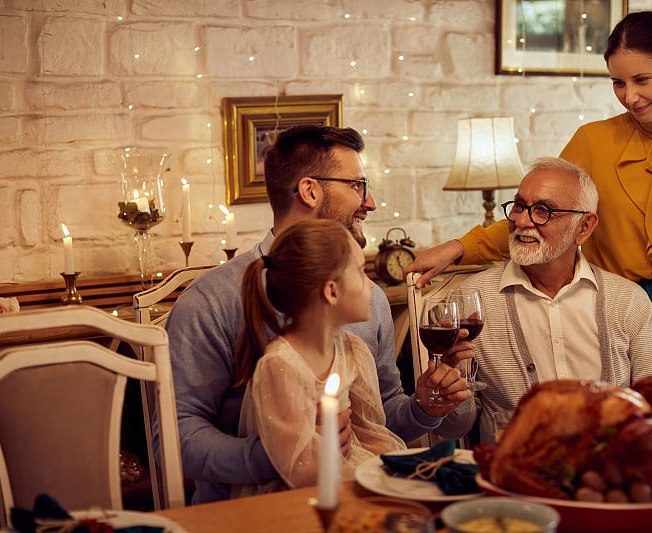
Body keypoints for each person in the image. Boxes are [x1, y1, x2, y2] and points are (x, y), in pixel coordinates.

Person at [406, 10, 652, 400]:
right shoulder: (593, 141)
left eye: (641, 80)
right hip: (634, 311)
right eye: (618, 82)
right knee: (640, 445)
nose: (629, 95)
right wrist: (457, 248)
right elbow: (537, 216)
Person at [165, 124, 471, 504]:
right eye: (357, 185)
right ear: (310, 190)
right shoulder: (210, 302)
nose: (371, 201)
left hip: (356, 501)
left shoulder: (366, 298)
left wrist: (424, 407)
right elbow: (178, 436)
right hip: (248, 512)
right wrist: (281, 455)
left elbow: (376, 419)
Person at [435, 157, 652, 444]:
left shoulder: (628, 300)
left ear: (584, 227)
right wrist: (449, 389)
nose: (522, 221)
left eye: (543, 211)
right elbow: (452, 429)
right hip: (513, 475)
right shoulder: (473, 302)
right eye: (519, 206)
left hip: (608, 474)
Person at [231, 219, 406, 497]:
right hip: (300, 497)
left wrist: (398, 473)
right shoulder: (280, 365)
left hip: (350, 473)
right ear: (331, 291)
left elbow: (371, 431)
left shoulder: (353, 350)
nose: (371, 285)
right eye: (361, 273)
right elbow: (297, 469)